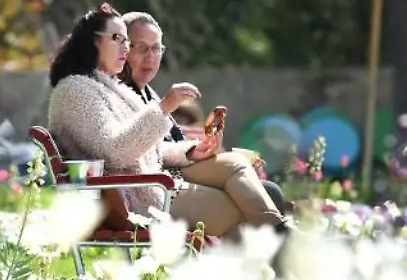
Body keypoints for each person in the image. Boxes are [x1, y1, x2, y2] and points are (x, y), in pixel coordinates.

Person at [47, 4, 287, 240]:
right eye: (118, 38)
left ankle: (282, 233)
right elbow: (115, 152)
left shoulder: (107, 87)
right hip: (138, 197)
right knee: (244, 211)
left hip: (153, 182)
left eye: (126, 41)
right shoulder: (76, 90)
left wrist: (192, 151)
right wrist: (164, 107)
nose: (126, 48)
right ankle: (279, 248)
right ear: (93, 42)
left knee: (234, 163)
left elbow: (145, 149)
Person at [119, 11, 289, 215]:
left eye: (156, 48)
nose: (150, 57)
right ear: (123, 50)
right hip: (157, 187)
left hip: (179, 174)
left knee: (269, 190)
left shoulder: (148, 92)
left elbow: (177, 145)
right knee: (266, 192)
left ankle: (280, 239)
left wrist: (202, 149)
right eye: (142, 48)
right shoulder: (119, 95)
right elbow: (137, 150)